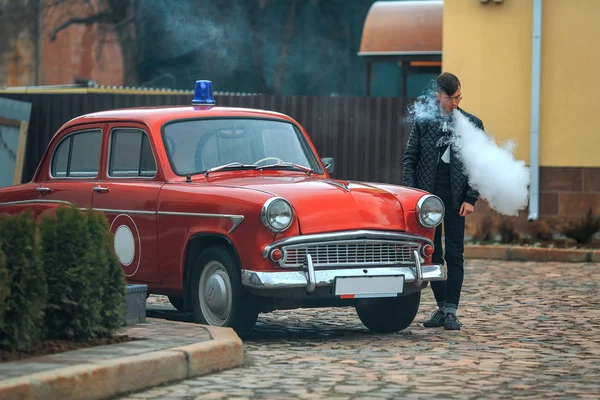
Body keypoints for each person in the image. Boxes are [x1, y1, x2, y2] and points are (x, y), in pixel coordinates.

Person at [402, 72, 484, 330]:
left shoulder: (472, 124)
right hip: (428, 201)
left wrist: (471, 198)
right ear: (438, 96)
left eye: (458, 96)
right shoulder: (424, 121)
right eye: (450, 98)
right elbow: (409, 159)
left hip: (457, 200)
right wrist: (412, 196)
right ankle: (441, 308)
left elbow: (478, 165)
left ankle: (452, 310)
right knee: (433, 253)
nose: (455, 103)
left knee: (455, 254)